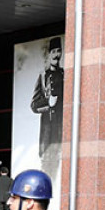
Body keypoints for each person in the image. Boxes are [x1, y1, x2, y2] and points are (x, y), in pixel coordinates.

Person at [31, 37, 64, 175]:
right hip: (47, 135)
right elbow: (33, 105)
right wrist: (47, 103)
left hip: (61, 132)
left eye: (59, 51)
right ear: (49, 54)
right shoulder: (43, 76)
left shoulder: (65, 74)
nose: (57, 55)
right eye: (54, 51)